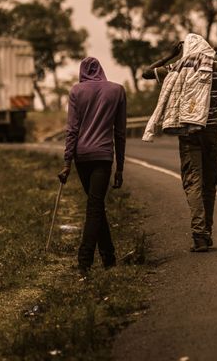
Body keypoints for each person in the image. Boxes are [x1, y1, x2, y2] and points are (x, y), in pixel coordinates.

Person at [142, 33, 217, 252]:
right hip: (213, 133)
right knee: (209, 184)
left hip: (188, 132)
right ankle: (207, 232)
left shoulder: (177, 67)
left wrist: (169, 55)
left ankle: (200, 235)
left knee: (193, 182)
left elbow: (146, 73)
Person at [57, 57, 126, 275]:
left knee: (95, 206)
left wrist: (67, 163)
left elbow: (72, 130)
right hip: (103, 156)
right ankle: (103, 259)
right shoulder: (117, 91)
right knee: (96, 207)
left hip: (82, 157)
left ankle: (88, 261)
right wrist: (120, 167)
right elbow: (120, 133)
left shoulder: (76, 91)